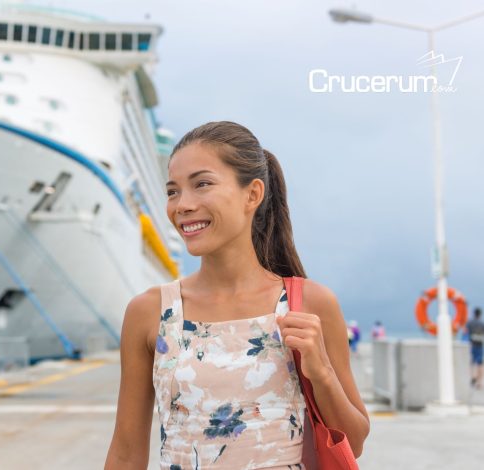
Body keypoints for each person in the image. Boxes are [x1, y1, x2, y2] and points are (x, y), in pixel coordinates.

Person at [104, 121, 369, 469]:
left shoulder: (310, 303)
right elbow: (126, 452)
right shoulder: (149, 311)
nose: (182, 204)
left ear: (253, 194)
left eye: (202, 184)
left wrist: (322, 374)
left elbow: (354, 443)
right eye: (172, 191)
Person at [465, 307, 484, 389]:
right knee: (480, 364)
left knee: (472, 362)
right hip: (480, 345)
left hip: (473, 344)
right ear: (480, 314)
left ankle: (473, 377)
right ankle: (479, 382)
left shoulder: (470, 323)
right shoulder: (482, 324)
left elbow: (466, 332)